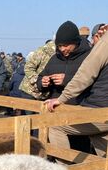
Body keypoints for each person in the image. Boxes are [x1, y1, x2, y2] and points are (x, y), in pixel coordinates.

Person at [45, 25, 108, 156]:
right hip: (99, 107)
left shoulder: (104, 44)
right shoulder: (54, 58)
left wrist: (62, 98)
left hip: (99, 108)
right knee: (100, 142)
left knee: (54, 126)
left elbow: (85, 74)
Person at [37, 20, 91, 102]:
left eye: (66, 45)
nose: (62, 49)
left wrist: (67, 80)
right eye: (59, 46)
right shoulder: (54, 58)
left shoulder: (89, 57)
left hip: (79, 108)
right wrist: (42, 83)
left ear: (75, 42)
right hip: (55, 108)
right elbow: (40, 78)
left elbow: (93, 83)